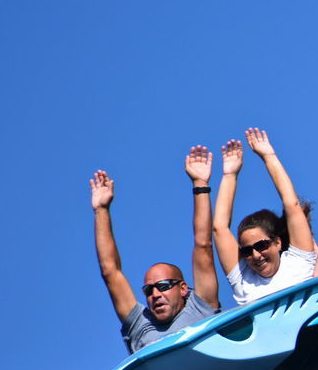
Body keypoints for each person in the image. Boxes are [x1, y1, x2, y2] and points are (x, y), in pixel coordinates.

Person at [89, 146, 220, 354]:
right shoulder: (141, 324)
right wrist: (101, 210)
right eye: (149, 290)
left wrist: (200, 184)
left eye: (164, 286)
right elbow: (110, 272)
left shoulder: (200, 306)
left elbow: (203, 245)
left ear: (183, 288)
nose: (155, 295)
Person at [213, 128, 317, 305]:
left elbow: (291, 203)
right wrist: (230, 175)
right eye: (246, 251)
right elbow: (219, 228)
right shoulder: (243, 279)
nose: (255, 255)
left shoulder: (298, 261)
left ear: (277, 242)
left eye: (261, 245)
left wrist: (269, 156)